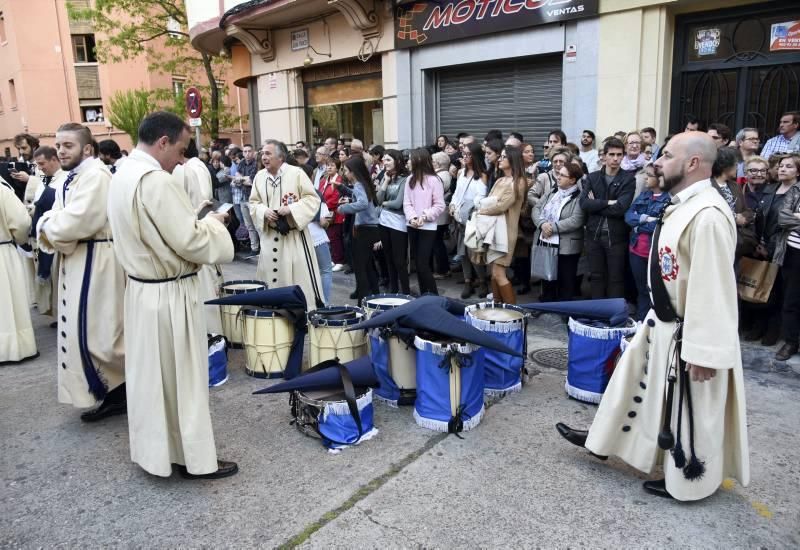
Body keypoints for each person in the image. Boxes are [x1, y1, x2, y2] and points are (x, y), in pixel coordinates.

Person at [557, 131, 749, 502]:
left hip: (686, 330)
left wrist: (704, 351)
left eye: (667, 155)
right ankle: (603, 439)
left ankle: (690, 480)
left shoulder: (707, 214)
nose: (657, 161)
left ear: (693, 163)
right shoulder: (685, 202)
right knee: (630, 382)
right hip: (661, 320)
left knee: (691, 410)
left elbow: (713, 290)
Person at [107, 111, 237, 480]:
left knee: (152, 380)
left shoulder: (121, 174)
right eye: (180, 149)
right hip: (168, 294)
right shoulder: (155, 181)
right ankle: (194, 460)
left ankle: (157, 453)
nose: (181, 158)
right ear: (162, 141)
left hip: (142, 291)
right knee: (184, 381)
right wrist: (214, 224)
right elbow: (190, 241)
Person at [36, 123, 126, 422]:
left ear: (87, 149)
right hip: (79, 255)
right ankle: (110, 393)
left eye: (68, 145)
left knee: (101, 333)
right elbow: (61, 218)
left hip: (97, 259)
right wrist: (54, 223)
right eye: (58, 145)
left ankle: (119, 392)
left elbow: (76, 223)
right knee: (85, 330)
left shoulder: (96, 176)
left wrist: (46, 225)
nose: (61, 150)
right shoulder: (73, 177)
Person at [250, 140, 324, 310]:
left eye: (268, 153)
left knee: (297, 278)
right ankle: (271, 312)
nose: (264, 157)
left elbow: (313, 199)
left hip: (293, 238)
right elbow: (253, 202)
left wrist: (291, 208)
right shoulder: (260, 177)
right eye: (263, 153)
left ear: (280, 157)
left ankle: (300, 313)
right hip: (270, 237)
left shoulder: (296, 173)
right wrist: (263, 211)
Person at [174, 139, 225, 335]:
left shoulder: (186, 169)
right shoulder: (198, 166)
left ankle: (210, 336)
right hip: (202, 228)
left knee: (204, 289)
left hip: (196, 231)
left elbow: (200, 202)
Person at [580, 137, 636, 299]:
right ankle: (597, 313)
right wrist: (607, 202)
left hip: (616, 237)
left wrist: (596, 204)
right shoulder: (593, 177)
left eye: (619, 155)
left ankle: (614, 316)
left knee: (616, 278)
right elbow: (584, 204)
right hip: (593, 235)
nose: (615, 158)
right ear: (604, 156)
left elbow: (620, 209)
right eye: (612, 154)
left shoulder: (628, 179)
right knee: (596, 276)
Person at [742, 156, 784, 346]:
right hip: (746, 246)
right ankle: (754, 326)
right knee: (749, 285)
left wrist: (766, 246)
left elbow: (777, 222)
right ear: (746, 173)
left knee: (770, 290)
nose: (757, 174)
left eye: (761, 170)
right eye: (753, 170)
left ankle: (770, 329)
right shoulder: (739, 191)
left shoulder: (774, 192)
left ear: (767, 173)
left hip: (769, 248)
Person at [531, 160, 585, 302]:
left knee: (565, 280)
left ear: (572, 180)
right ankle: (548, 303)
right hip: (546, 241)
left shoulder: (579, 197)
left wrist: (552, 227)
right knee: (547, 276)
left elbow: (576, 220)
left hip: (567, 247)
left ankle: (564, 311)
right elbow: (536, 209)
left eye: (562, 175)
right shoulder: (553, 192)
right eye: (558, 174)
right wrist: (542, 224)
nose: (558, 177)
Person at [478, 146, 527, 304]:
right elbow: (489, 202)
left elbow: (500, 206)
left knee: (499, 274)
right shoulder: (500, 179)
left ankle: (513, 312)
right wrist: (485, 208)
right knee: (494, 273)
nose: (499, 159)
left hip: (505, 233)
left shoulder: (518, 182)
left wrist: (482, 210)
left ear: (512, 160)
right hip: (493, 231)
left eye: (504, 157)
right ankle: (497, 307)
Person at [625, 163, 670, 320]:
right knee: (641, 290)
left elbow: (660, 225)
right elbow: (629, 217)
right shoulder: (644, 195)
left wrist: (639, 225)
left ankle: (654, 323)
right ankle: (641, 322)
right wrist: (646, 219)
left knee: (655, 290)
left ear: (659, 178)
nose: (645, 177)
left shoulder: (669, 199)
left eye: (649, 175)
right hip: (636, 250)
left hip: (654, 252)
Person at [0, 178, 37, 364]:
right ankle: (11, 349)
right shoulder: (2, 189)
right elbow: (21, 222)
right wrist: (20, 240)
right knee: (7, 301)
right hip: (2, 253)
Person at [29, 146, 66, 318]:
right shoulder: (47, 180)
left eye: (42, 163)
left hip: (58, 238)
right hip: (45, 236)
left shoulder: (65, 179)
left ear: (53, 159)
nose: (41, 168)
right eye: (38, 165)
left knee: (59, 278)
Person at [337, 156, 381, 300]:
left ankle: (364, 298)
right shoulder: (361, 184)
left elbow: (362, 204)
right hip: (368, 228)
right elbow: (360, 198)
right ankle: (374, 294)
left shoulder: (359, 185)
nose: (344, 173)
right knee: (367, 265)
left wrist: (343, 208)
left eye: (346, 170)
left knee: (361, 266)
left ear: (353, 171)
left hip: (365, 229)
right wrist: (342, 189)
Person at [404, 148, 445, 295]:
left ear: (419, 160)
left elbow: (440, 205)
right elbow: (407, 203)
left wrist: (424, 216)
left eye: (410, 158)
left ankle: (433, 297)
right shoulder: (410, 179)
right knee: (419, 264)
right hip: (412, 225)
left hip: (428, 227)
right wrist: (413, 217)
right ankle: (424, 296)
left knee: (423, 265)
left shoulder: (434, 180)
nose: (408, 161)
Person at [450, 141, 488, 299]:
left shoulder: (483, 175)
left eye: (467, 154)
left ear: (476, 155)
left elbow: (482, 198)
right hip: (458, 217)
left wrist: (469, 211)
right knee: (463, 252)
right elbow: (457, 193)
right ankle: (467, 281)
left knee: (474, 252)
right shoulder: (462, 172)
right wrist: (452, 205)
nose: (464, 157)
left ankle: (482, 281)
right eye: (463, 154)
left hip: (474, 219)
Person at [774, 153, 800, 361]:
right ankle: (791, 342)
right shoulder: (796, 190)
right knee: (791, 299)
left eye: (789, 166)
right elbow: (783, 218)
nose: (783, 168)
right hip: (793, 252)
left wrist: (796, 218)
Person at [711, 147, 755, 260]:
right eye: (736, 165)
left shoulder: (735, 186)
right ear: (726, 166)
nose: (737, 168)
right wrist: (733, 217)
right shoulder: (707, 186)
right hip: (715, 243)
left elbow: (748, 211)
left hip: (736, 244)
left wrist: (744, 218)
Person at [377, 149, 410, 294]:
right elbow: (378, 199)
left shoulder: (405, 178)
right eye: (384, 160)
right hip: (384, 221)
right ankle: (394, 290)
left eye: (388, 160)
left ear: (397, 161)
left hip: (398, 222)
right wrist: (385, 182)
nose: (385, 162)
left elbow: (398, 203)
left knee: (399, 261)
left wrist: (384, 204)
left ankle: (406, 291)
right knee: (388, 258)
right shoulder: (387, 177)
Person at [319, 157, 346, 272]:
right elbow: (319, 194)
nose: (329, 167)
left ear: (338, 168)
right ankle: (333, 259)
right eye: (327, 165)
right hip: (325, 212)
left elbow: (336, 198)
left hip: (336, 213)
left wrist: (325, 204)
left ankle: (339, 261)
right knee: (328, 237)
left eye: (332, 165)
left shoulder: (339, 180)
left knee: (335, 237)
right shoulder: (324, 180)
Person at [233, 144, 260, 252]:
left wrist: (241, 180)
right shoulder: (241, 163)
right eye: (245, 151)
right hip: (243, 197)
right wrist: (242, 180)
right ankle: (254, 247)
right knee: (249, 225)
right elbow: (236, 179)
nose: (247, 153)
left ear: (253, 152)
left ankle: (264, 248)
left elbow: (252, 181)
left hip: (254, 198)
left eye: (249, 151)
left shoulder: (256, 164)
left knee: (258, 225)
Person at [432, 151, 452, 280]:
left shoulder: (441, 176)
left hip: (439, 216)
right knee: (438, 242)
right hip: (442, 214)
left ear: (438, 163)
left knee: (437, 243)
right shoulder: (444, 174)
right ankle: (444, 268)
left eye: (433, 161)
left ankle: (443, 270)